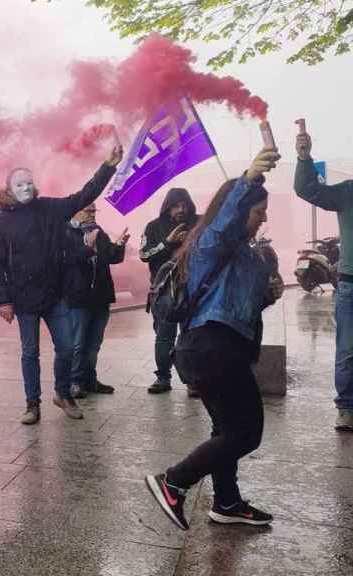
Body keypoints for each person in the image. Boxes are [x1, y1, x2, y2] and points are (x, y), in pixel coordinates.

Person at [146, 148, 284, 530]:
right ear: (239, 211)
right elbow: (223, 225)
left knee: (226, 430)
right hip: (210, 349)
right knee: (245, 432)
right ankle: (173, 481)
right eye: (259, 212)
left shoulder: (244, 254)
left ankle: (226, 502)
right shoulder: (212, 240)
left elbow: (243, 305)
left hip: (220, 350)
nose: (264, 218)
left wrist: (268, 292)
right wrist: (249, 178)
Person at [0, 144, 124, 424]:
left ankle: (63, 394)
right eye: (19, 184)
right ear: (9, 189)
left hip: (54, 295)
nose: (25, 188)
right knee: (30, 352)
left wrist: (108, 166)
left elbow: (83, 196)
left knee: (67, 346)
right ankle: (32, 404)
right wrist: (4, 300)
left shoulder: (49, 208)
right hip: (23, 300)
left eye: (29, 182)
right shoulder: (0, 223)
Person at [294, 128, 353, 432]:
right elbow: (308, 189)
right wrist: (304, 157)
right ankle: (346, 407)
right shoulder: (347, 192)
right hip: (350, 285)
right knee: (347, 348)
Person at [62, 203, 129, 398]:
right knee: (78, 343)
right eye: (88, 211)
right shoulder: (65, 233)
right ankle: (74, 382)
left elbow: (111, 258)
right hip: (78, 298)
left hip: (100, 296)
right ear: (75, 211)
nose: (92, 214)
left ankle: (89, 380)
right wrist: (88, 248)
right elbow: (70, 262)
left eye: (94, 211)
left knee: (94, 344)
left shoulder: (99, 232)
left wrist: (119, 245)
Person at [139, 188, 200, 395]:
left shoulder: (200, 223)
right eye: (176, 205)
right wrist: (168, 242)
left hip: (194, 290)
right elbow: (144, 254)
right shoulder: (154, 227)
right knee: (164, 337)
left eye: (184, 205)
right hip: (164, 293)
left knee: (191, 337)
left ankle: (192, 380)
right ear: (168, 206)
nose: (181, 209)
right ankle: (163, 378)